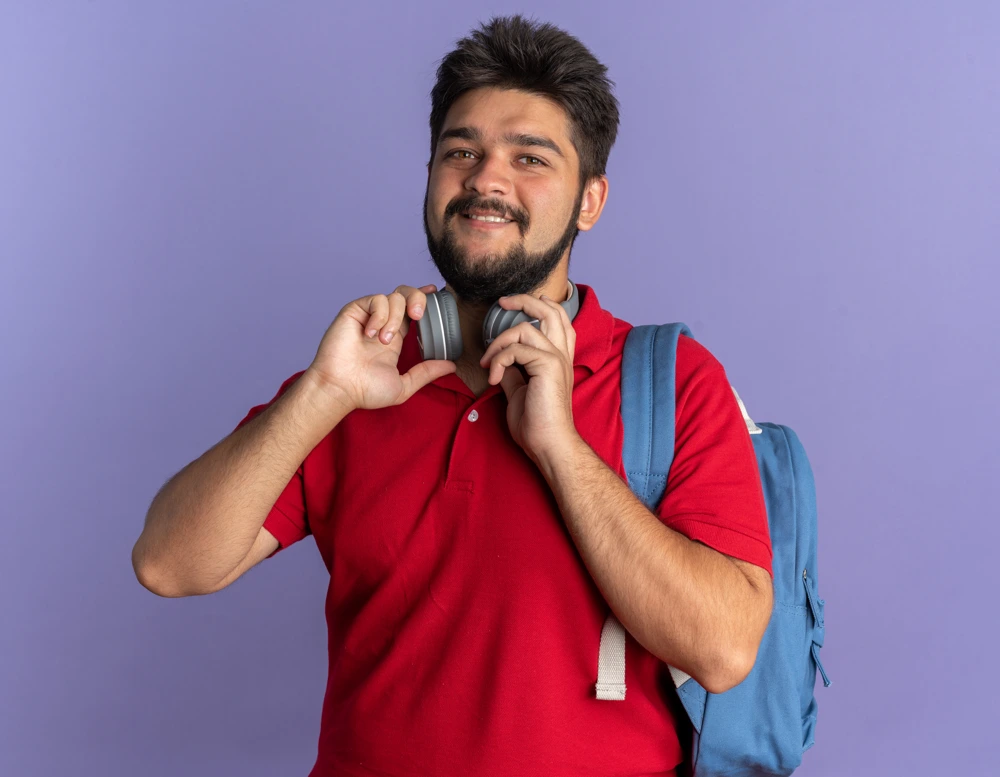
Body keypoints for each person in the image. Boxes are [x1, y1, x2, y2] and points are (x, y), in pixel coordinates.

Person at [132, 14, 774, 777]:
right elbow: (168, 565)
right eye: (460, 151)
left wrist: (561, 449)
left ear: (590, 201)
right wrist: (321, 395)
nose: (486, 179)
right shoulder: (361, 374)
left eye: (529, 157)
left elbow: (724, 649)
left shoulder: (671, 379)